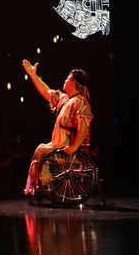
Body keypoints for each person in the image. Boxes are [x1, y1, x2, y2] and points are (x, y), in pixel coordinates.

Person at [21, 59, 93, 196]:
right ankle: (41, 183)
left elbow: (84, 126)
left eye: (68, 78)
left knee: (42, 151)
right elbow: (47, 91)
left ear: (74, 83)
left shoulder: (79, 102)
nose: (65, 80)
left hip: (68, 147)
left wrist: (74, 146)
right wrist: (33, 75)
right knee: (40, 149)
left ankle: (43, 184)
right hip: (59, 143)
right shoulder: (65, 99)